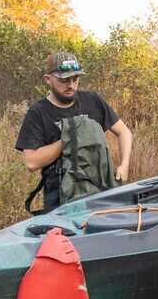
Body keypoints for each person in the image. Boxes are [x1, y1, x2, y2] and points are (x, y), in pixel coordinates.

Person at [15, 51, 132, 212]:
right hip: (61, 199)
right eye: (64, 80)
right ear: (48, 79)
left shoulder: (92, 100)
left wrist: (124, 164)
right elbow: (31, 162)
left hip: (101, 189)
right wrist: (71, 138)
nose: (71, 85)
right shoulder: (38, 112)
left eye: (75, 79)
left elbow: (123, 132)